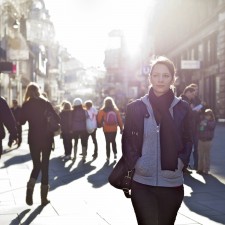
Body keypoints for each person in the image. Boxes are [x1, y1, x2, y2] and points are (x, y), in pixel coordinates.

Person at [122, 56, 193, 225]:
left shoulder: (183, 108)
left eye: (166, 75)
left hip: (172, 182)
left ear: (173, 79)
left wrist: (181, 162)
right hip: (142, 182)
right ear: (150, 77)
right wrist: (138, 163)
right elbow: (127, 141)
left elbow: (189, 139)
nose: (160, 80)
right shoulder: (135, 108)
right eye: (156, 75)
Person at [20, 82, 60, 206]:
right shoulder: (45, 103)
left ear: (28, 92)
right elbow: (57, 119)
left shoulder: (26, 105)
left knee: (36, 165)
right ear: (38, 91)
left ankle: (30, 188)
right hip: (46, 138)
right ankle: (43, 198)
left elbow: (21, 122)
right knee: (45, 166)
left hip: (33, 139)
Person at [97, 96, 123, 161]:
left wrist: (100, 125)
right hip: (114, 128)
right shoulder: (115, 110)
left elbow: (99, 120)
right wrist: (121, 128)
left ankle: (108, 156)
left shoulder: (102, 111)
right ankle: (115, 154)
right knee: (113, 140)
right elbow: (119, 120)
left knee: (107, 142)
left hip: (106, 129)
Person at [180, 86, 196, 174]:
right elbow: (184, 116)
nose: (193, 96)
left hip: (187, 129)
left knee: (187, 149)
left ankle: (184, 167)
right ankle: (183, 167)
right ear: (187, 92)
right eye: (192, 94)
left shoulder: (187, 101)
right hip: (186, 130)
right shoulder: (183, 101)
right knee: (186, 149)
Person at [197, 109, 216, 174]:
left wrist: (206, 123)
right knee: (200, 155)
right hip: (201, 140)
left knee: (207, 156)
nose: (206, 116)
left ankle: (206, 169)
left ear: (211, 116)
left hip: (208, 141)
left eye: (208, 115)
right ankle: (200, 169)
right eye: (206, 115)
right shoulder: (203, 121)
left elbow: (211, 127)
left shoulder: (212, 122)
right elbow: (200, 130)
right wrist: (201, 126)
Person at [71, 98, 88, 162]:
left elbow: (70, 120)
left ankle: (74, 156)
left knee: (75, 142)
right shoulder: (84, 111)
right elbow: (87, 118)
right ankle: (84, 157)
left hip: (75, 128)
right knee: (83, 142)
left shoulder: (72, 112)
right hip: (83, 128)